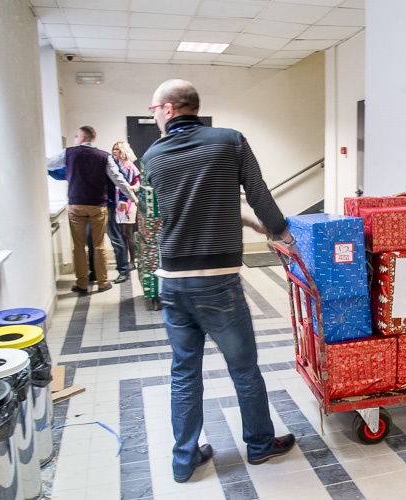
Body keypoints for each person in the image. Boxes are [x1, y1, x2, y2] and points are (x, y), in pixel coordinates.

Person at [142, 79, 297, 483]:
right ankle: (260, 445)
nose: (153, 116)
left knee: (184, 372)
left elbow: (180, 209)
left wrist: (243, 220)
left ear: (169, 109)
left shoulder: (153, 156)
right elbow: (257, 193)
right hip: (217, 281)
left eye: (154, 109)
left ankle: (184, 459)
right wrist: (282, 233)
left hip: (173, 280)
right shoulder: (230, 141)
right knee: (243, 368)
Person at [47, 125, 138, 293]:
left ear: (82, 137)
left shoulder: (69, 154)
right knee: (99, 245)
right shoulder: (104, 156)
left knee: (79, 246)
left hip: (76, 205)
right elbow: (119, 178)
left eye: (76, 136)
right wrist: (132, 197)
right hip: (98, 206)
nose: (75, 139)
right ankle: (103, 282)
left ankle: (82, 284)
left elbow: (49, 165)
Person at [112, 141, 141, 270]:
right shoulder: (115, 165)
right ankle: (124, 260)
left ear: (123, 150)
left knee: (127, 233)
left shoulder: (129, 167)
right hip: (117, 203)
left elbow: (137, 185)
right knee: (120, 233)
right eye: (113, 149)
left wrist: (130, 189)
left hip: (128, 202)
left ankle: (132, 261)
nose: (114, 151)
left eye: (117, 149)